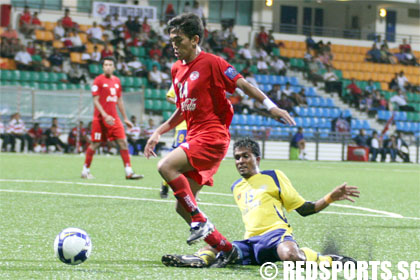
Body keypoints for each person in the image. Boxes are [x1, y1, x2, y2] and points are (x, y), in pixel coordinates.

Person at [144, 13, 295, 261]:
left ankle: (200, 221)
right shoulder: (176, 69)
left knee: (165, 166)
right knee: (182, 207)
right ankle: (226, 250)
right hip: (194, 135)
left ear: (194, 40)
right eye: (171, 40)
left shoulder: (213, 63)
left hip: (213, 135)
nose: (173, 45)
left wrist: (272, 107)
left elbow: (244, 85)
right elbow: (182, 109)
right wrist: (158, 132)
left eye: (178, 40)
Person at [161, 138, 359, 268]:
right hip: (251, 243)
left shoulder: (273, 176)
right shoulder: (236, 187)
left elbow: (306, 209)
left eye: (245, 156)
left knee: (290, 255)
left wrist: (330, 197)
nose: (240, 161)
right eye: (237, 157)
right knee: (220, 250)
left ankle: (329, 260)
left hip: (277, 236)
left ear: (257, 158)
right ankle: (197, 259)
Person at [81, 57, 143, 180]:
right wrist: (105, 115)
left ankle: (129, 172)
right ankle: (85, 170)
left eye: (110, 65)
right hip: (99, 119)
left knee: (123, 142)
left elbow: (119, 100)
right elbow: (95, 101)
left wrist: (125, 118)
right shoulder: (98, 80)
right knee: (95, 144)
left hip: (114, 118)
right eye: (106, 65)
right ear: (103, 67)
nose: (108, 67)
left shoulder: (117, 81)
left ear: (114, 67)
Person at [159, 86, 188, 199]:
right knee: (175, 157)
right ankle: (165, 184)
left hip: (197, 125)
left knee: (191, 160)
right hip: (183, 126)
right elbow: (169, 96)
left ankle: (190, 191)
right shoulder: (181, 78)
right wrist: (180, 103)